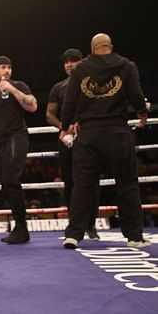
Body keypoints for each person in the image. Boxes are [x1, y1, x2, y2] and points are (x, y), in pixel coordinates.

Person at [60, 33, 150, 249]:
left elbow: (70, 100)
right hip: (117, 131)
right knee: (127, 184)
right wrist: (142, 114)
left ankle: (73, 235)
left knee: (82, 185)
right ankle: (135, 237)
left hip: (89, 133)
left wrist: (65, 126)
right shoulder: (126, 66)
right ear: (110, 46)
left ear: (92, 49)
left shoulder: (80, 69)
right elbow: (137, 95)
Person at [0, 56, 38, 244]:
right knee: (6, 183)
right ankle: (20, 228)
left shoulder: (19, 85)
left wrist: (12, 89)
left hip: (17, 136)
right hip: (0, 141)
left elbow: (33, 106)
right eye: (2, 67)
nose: (6, 70)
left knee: (11, 179)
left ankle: (21, 227)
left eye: (9, 67)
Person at [46, 48, 100, 239]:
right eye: (66, 61)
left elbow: (99, 108)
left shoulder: (91, 84)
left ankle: (91, 224)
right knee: (70, 180)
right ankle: (75, 222)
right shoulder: (59, 88)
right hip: (67, 138)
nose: (69, 64)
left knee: (91, 180)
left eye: (73, 60)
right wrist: (64, 126)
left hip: (89, 137)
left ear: (81, 62)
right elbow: (49, 114)